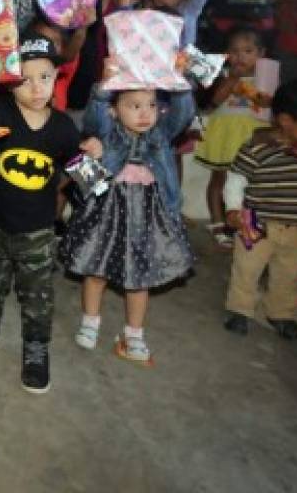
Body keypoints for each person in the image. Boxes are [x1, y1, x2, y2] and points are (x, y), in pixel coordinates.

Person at [0, 34, 82, 393]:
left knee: (37, 294)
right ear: (10, 84)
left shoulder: (63, 127)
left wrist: (93, 154)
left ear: (56, 78)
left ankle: (36, 347)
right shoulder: (0, 111)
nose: (36, 87)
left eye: (45, 77)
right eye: (25, 79)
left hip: (38, 233)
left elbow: (78, 170)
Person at [60, 60, 196, 366]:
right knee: (96, 270)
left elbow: (183, 114)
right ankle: (90, 320)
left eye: (151, 105)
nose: (145, 113)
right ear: (114, 109)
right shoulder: (107, 134)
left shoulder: (161, 136)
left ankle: (134, 332)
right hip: (107, 212)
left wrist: (179, 79)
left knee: (140, 277)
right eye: (134, 105)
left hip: (148, 216)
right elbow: (94, 120)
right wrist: (103, 86)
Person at [223, 81, 297, 339]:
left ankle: (281, 314)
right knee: (247, 268)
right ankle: (240, 310)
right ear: (286, 120)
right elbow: (237, 178)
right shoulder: (258, 146)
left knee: (289, 274)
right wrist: (232, 209)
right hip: (254, 220)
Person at [195, 26, 273, 249]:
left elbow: (267, 105)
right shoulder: (223, 74)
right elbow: (214, 102)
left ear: (261, 53)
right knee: (219, 179)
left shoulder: (266, 77)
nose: (241, 56)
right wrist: (233, 80)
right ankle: (218, 223)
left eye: (248, 51)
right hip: (225, 134)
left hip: (251, 136)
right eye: (235, 51)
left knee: (249, 182)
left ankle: (247, 224)